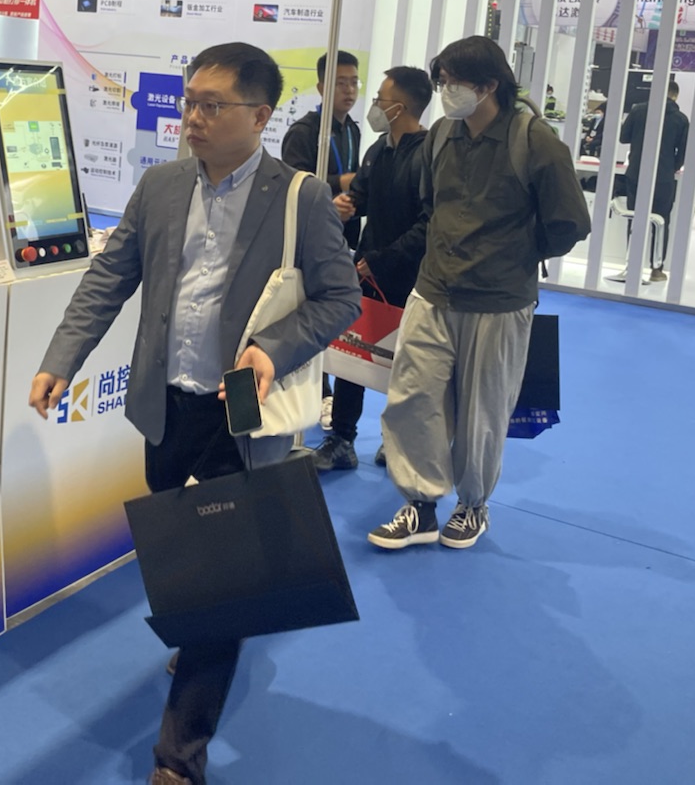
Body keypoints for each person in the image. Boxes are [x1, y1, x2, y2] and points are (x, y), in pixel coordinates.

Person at [30, 42, 360, 785]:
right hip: (164, 405)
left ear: (261, 116)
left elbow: (340, 298)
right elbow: (109, 277)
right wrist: (62, 359)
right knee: (180, 549)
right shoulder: (161, 185)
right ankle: (205, 621)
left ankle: (178, 756)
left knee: (221, 574)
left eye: (213, 105)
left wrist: (274, 346)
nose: (193, 118)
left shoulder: (299, 197)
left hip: (239, 413)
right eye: (190, 102)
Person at [368, 36, 591, 551]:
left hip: (498, 300)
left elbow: (569, 223)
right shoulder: (442, 136)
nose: (445, 90)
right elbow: (433, 203)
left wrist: (516, 256)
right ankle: (420, 504)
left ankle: (472, 505)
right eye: (442, 81)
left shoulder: (535, 142)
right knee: (412, 399)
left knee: (481, 412)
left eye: (454, 82)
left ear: (489, 85)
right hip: (433, 290)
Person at [316, 66, 433, 472]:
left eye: (382, 100)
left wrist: (383, 259)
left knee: (408, 364)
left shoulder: (428, 155)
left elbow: (428, 224)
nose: (376, 106)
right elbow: (364, 195)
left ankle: (396, 441)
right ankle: (342, 439)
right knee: (353, 357)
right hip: (366, 271)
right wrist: (347, 205)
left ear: (402, 107)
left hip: (410, 275)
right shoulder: (379, 149)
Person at [281, 50, 364, 430]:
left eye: (353, 82)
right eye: (340, 83)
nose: (349, 90)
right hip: (309, 237)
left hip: (344, 233)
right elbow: (293, 185)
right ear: (321, 87)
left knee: (339, 314)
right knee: (310, 312)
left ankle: (327, 392)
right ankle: (319, 392)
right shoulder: (304, 132)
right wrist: (338, 185)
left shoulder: (352, 130)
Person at [616, 81, 689, 282]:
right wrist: (671, 167)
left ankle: (632, 266)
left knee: (635, 219)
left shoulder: (638, 111)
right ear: (675, 96)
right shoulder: (681, 119)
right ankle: (657, 269)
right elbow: (683, 152)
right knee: (661, 221)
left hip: (636, 173)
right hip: (663, 177)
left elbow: (623, 137)